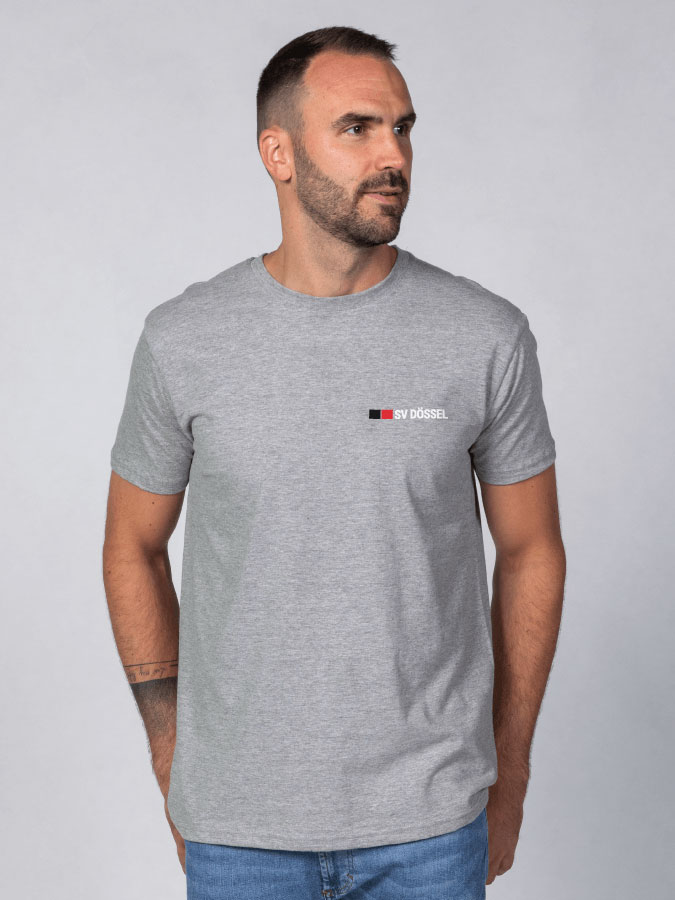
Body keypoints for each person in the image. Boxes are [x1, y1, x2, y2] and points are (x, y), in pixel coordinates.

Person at [103, 25, 566, 899]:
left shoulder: (482, 335)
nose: (393, 155)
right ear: (277, 153)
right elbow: (130, 545)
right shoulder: (184, 340)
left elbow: (531, 548)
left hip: (431, 830)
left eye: (402, 128)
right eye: (357, 128)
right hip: (240, 834)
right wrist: (171, 753)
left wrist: (510, 768)